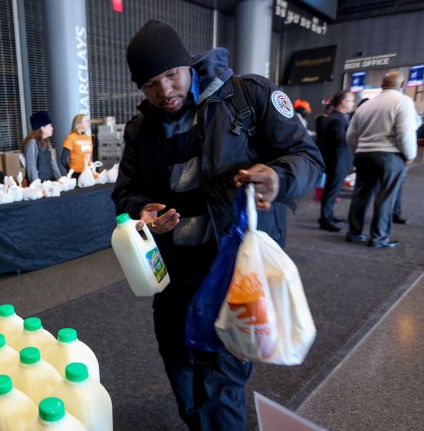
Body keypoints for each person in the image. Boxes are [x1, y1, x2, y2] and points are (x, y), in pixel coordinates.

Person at [113, 21, 322, 430]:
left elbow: (308, 158)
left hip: (234, 272)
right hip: (172, 275)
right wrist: (143, 212)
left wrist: (278, 178)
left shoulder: (249, 96)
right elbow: (124, 194)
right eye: (151, 84)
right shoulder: (140, 129)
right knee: (179, 365)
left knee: (221, 381)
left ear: (186, 63)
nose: (164, 91)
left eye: (171, 75)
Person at [346, 71, 418, 248]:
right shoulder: (403, 102)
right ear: (401, 86)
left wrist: (359, 151)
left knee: (360, 195)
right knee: (385, 197)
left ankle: (354, 233)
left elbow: (350, 136)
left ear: (382, 84)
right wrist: (409, 155)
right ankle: (378, 238)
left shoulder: (365, 106)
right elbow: (405, 134)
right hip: (389, 155)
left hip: (363, 155)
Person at [317, 90, 355, 232]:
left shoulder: (336, 117)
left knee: (332, 190)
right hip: (336, 161)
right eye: (351, 100)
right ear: (343, 102)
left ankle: (329, 215)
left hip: (337, 160)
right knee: (331, 190)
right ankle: (325, 219)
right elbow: (340, 141)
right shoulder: (337, 119)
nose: (353, 103)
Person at [22, 111, 62, 182]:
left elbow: (53, 162)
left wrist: (60, 178)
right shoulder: (32, 142)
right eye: (50, 126)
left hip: (50, 183)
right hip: (39, 186)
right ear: (42, 128)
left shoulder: (47, 141)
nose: (52, 128)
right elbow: (31, 167)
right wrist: (37, 186)